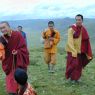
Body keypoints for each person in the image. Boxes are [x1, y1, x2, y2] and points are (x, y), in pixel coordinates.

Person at [0, 21, 29, 95]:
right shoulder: (2, 39)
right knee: (10, 83)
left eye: (4, 27)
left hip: (19, 62)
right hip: (9, 64)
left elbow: (24, 48)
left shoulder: (17, 35)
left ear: (9, 27)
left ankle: (22, 91)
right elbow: (1, 49)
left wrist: (18, 52)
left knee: (20, 82)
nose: (2, 30)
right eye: (1, 29)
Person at [65, 14, 93, 83]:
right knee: (72, 64)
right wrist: (73, 51)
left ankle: (77, 78)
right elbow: (70, 41)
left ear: (82, 20)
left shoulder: (83, 29)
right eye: (76, 20)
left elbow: (86, 40)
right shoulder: (71, 29)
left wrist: (86, 51)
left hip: (80, 51)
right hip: (71, 50)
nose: (78, 21)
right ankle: (71, 78)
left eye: (79, 20)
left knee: (79, 65)